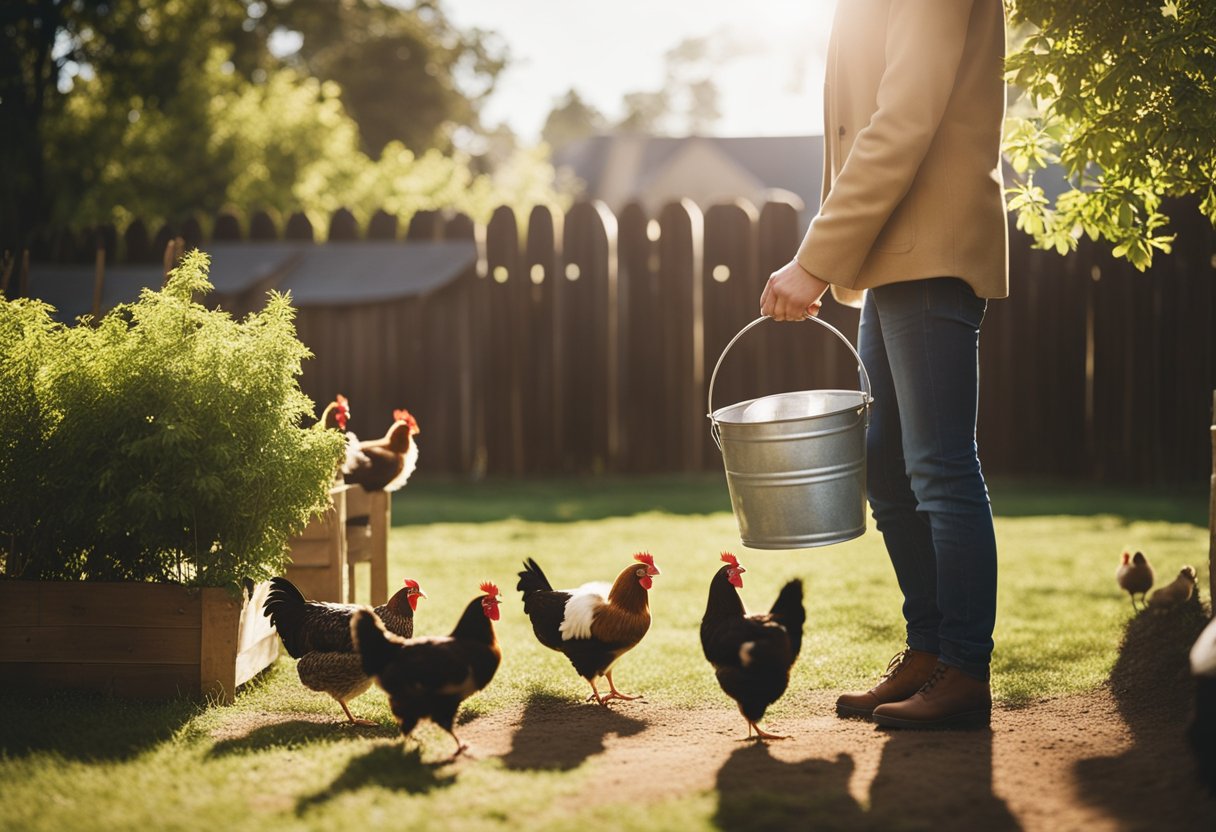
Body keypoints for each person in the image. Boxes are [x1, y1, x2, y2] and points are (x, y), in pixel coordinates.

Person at [759, 0, 1008, 729]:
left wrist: (814, 260)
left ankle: (964, 667)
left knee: (937, 465)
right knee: (890, 469)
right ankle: (929, 652)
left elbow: (902, 121)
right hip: (891, 260)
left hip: (929, 250)